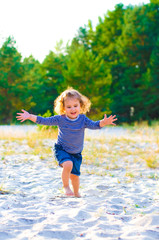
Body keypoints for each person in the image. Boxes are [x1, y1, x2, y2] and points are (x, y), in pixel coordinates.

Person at [16, 88, 117, 197]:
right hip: (62, 149)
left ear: (81, 105)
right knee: (68, 164)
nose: (72, 109)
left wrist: (103, 122)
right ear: (63, 108)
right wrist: (30, 116)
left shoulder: (83, 119)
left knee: (75, 176)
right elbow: (44, 120)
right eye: (69, 107)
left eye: (75, 106)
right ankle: (66, 186)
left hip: (76, 153)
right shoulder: (61, 119)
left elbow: (94, 125)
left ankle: (77, 193)